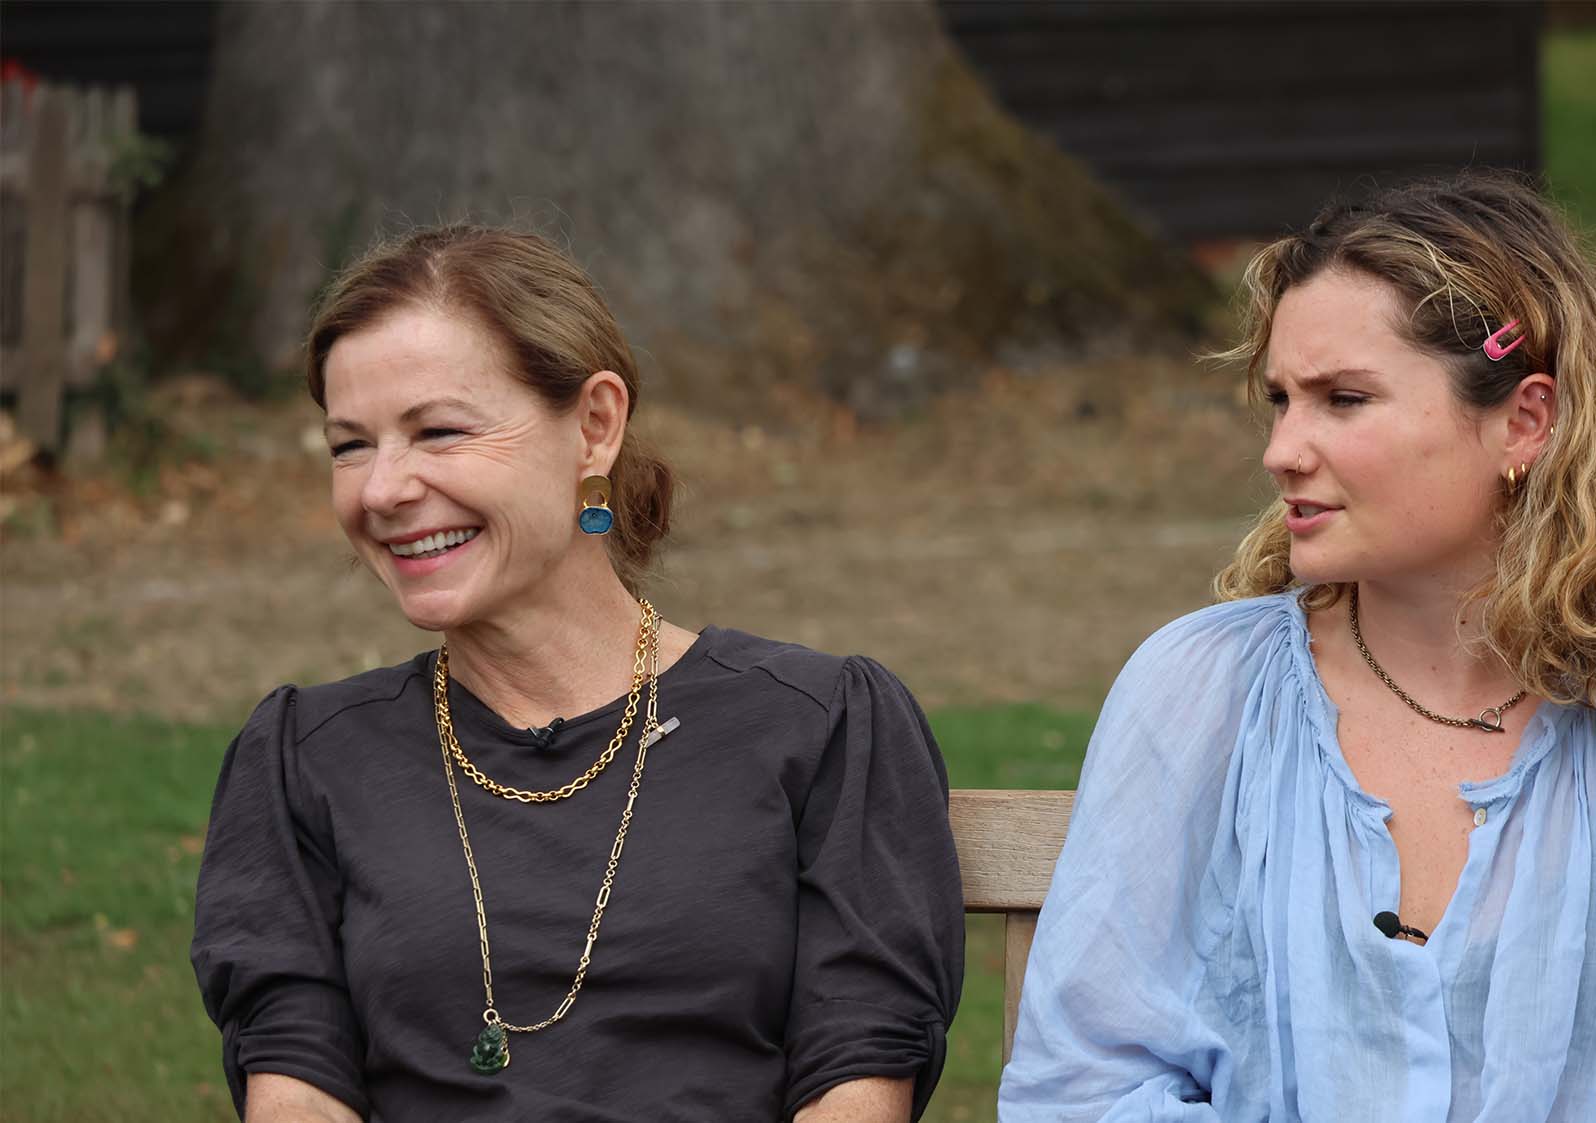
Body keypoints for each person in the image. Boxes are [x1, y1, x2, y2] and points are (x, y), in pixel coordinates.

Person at [190, 226, 963, 1123]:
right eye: (349, 445)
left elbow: (858, 1078)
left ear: (595, 426)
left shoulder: (819, 726)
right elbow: (297, 1089)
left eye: (438, 431)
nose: (381, 490)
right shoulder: (308, 758)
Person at [999, 172, 1595, 1120]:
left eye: (1344, 399)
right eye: (1281, 399)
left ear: (1524, 421)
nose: (1282, 449)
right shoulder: (1205, 691)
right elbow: (1084, 1086)